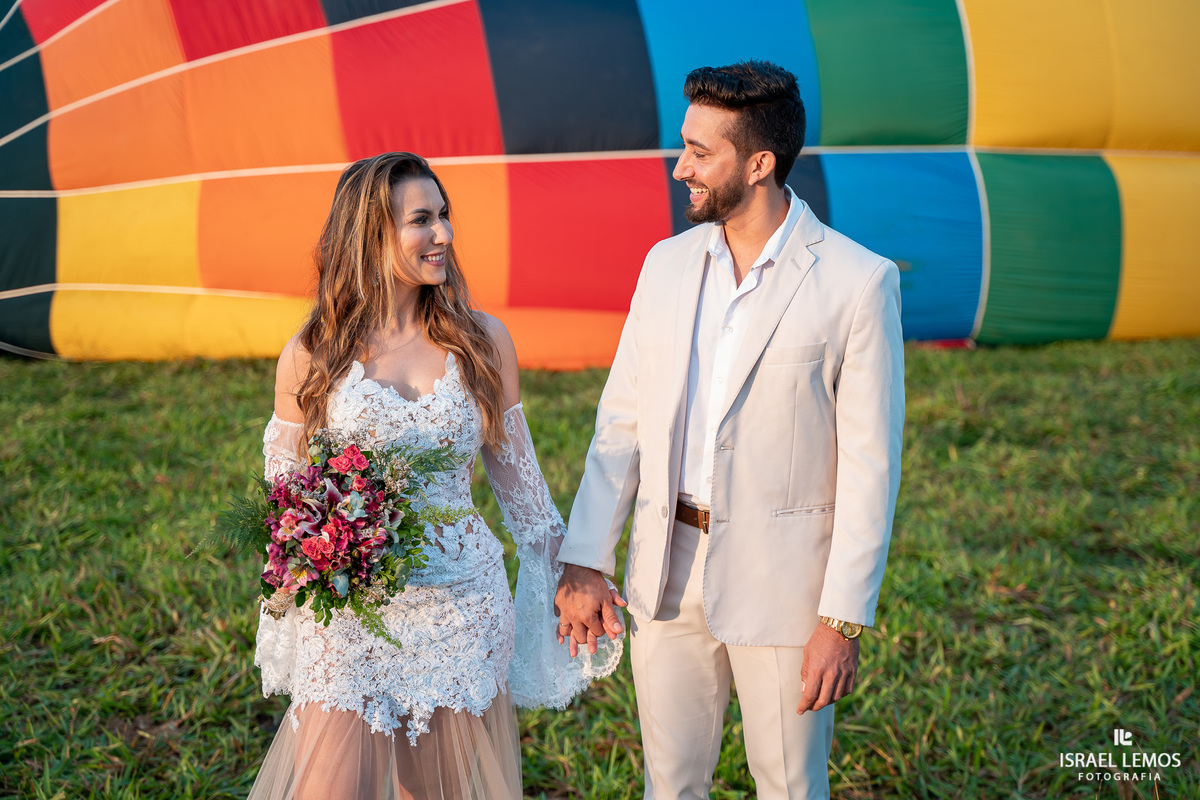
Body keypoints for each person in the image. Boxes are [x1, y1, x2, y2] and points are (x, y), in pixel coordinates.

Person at [553, 61, 905, 799]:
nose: (679, 167)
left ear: (759, 163)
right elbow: (621, 423)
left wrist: (841, 620)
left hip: (787, 588)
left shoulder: (857, 281)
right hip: (666, 570)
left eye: (699, 152)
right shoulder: (665, 265)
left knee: (789, 785)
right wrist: (586, 557)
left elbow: (871, 467)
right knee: (670, 785)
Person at [248, 152, 622, 799]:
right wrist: (308, 570)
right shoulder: (311, 354)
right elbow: (285, 509)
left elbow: (523, 492)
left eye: (443, 215)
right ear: (371, 232)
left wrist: (574, 572)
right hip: (352, 615)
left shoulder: (481, 342)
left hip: (461, 609)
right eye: (421, 220)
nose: (443, 233)